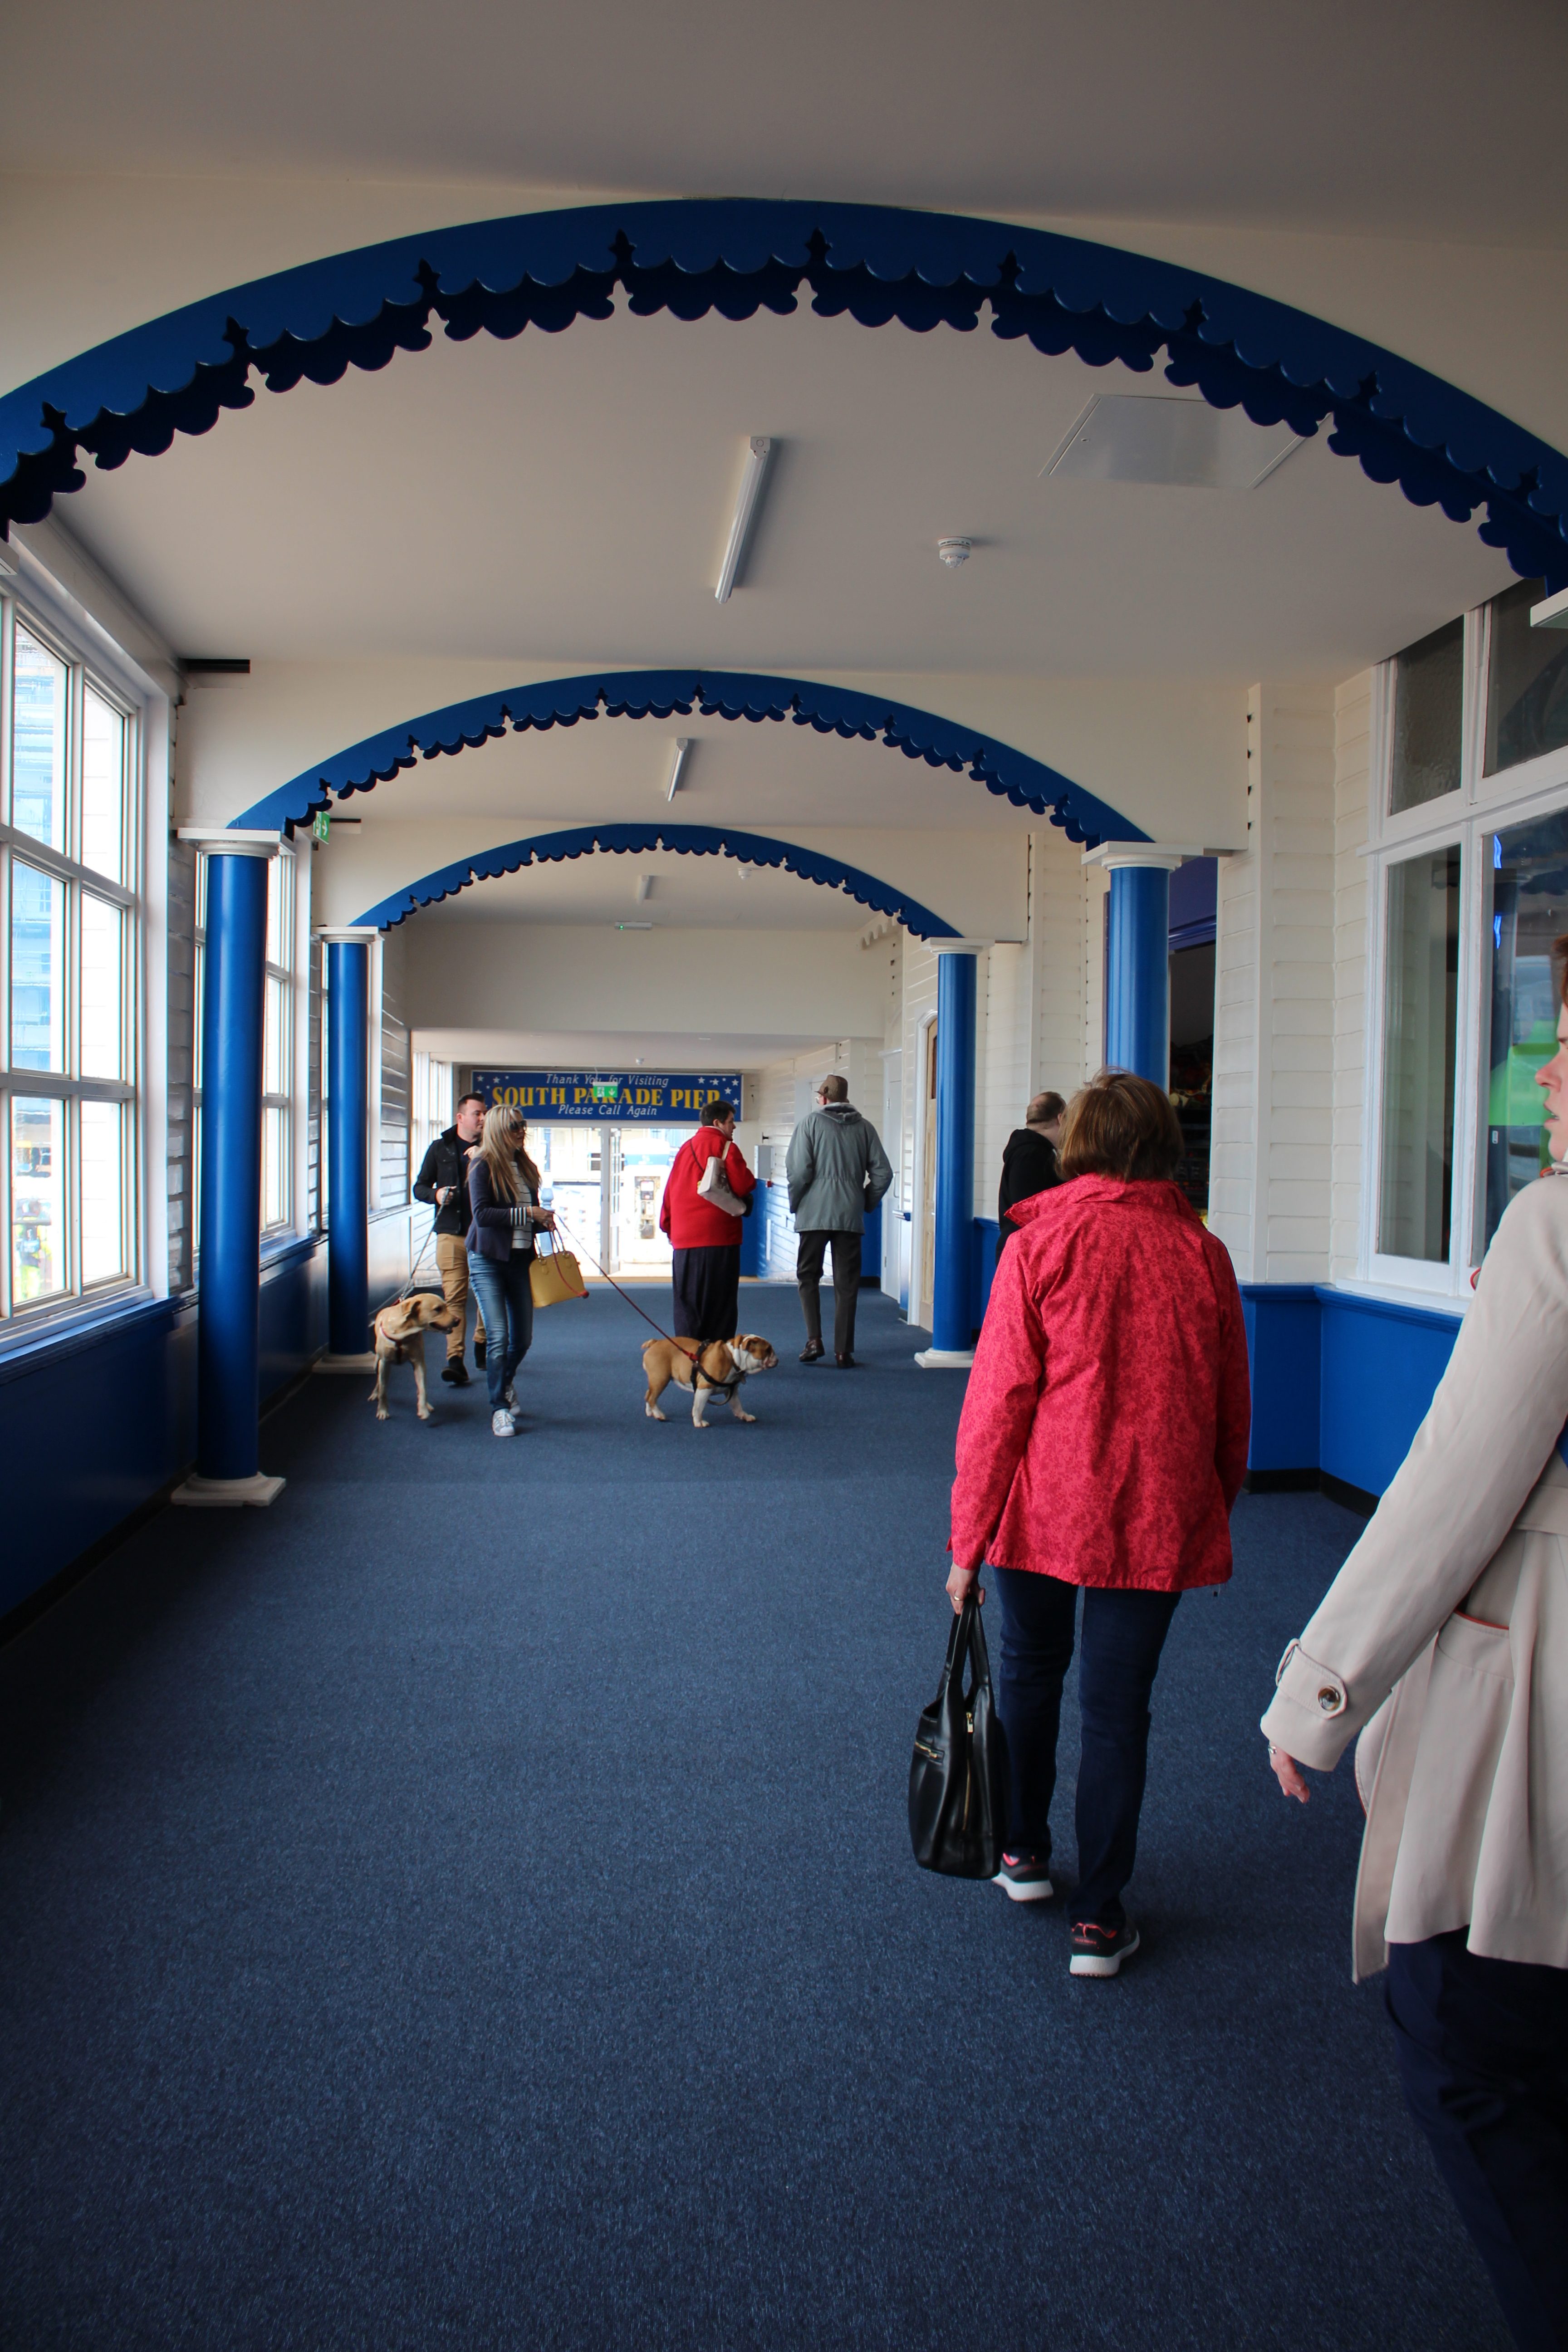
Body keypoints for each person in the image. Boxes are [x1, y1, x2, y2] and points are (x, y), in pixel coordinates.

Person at [1262, 956, 1568, 2352]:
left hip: (1542, 1709)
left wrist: (1322, 1691)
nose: (1548, 1076)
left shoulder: (1558, 1227)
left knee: (1468, 2038)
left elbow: (1453, 1487)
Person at [946, 1068, 1250, 1977]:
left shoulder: (1040, 1247)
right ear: (1163, 1146)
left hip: (1042, 1507)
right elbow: (1230, 1411)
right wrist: (1213, 1504)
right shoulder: (1203, 1256)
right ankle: (1099, 1919)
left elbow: (998, 1404)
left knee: (1030, 1675)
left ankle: (1022, 1852)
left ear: (1074, 1146)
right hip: (1156, 1515)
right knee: (1118, 1716)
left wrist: (968, 1541)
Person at [786, 1074, 892, 1367]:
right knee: (847, 1284)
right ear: (845, 1099)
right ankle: (843, 1351)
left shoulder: (809, 1124)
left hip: (813, 1215)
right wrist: (864, 1203)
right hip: (849, 1215)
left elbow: (798, 1172)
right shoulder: (865, 1128)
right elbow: (884, 1174)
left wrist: (797, 1203)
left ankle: (814, 1341)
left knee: (808, 1277)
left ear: (823, 1098)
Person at [465, 1104, 555, 1437]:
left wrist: (542, 1220)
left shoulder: (525, 1166)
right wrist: (528, 1212)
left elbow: (525, 1219)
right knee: (498, 1338)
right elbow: (484, 1216)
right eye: (516, 1126)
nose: (522, 1131)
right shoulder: (482, 1165)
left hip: (521, 1260)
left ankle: (503, 1383)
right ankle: (499, 1408)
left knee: (523, 1340)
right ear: (500, 1130)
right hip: (487, 1260)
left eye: (524, 1125)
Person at [658, 1097, 755, 1344]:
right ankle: (717, 1355)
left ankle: (689, 1353)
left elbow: (670, 1191)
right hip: (720, 1238)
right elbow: (744, 1185)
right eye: (731, 1122)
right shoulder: (726, 1148)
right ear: (718, 1123)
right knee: (720, 1301)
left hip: (685, 1241)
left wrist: (669, 1227)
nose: (734, 1127)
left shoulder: (685, 1148)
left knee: (687, 1302)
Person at [412, 1090, 487, 1383]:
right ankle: (455, 1359)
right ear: (460, 1117)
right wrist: (437, 1194)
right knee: (454, 1299)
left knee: (485, 1296)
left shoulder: (493, 1147)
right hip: (450, 1233)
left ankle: (481, 1342)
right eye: (477, 1113)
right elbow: (419, 1187)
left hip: (485, 1235)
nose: (482, 1118)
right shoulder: (439, 1149)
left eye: (484, 1113)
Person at [996, 1090, 1065, 1253]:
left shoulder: (1027, 1151)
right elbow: (1028, 1212)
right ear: (1061, 1119)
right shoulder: (1033, 1155)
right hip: (1027, 1252)